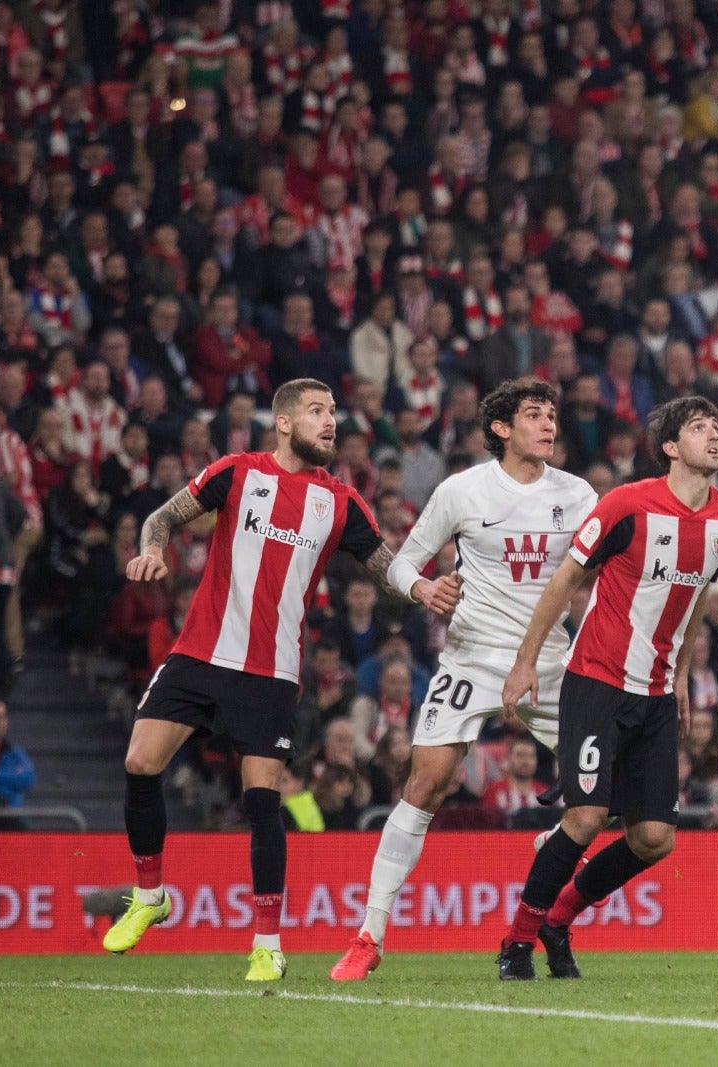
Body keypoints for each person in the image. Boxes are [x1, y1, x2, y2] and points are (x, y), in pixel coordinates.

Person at [102, 379, 401, 982]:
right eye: (317, 411)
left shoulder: (340, 501)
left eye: (334, 413)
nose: (330, 421)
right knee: (140, 762)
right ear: (284, 422)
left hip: (270, 673)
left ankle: (267, 943)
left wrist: (426, 587)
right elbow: (163, 516)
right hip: (201, 655)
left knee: (263, 799)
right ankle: (150, 895)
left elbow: (385, 564)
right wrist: (152, 547)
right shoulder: (238, 472)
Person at [331, 378, 596, 980]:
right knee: (426, 782)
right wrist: (422, 587)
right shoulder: (462, 491)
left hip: (550, 663)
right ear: (501, 429)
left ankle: (554, 847)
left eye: (552, 415)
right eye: (534, 415)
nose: (549, 425)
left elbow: (605, 573)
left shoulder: (578, 494)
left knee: (612, 796)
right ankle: (370, 934)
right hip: (471, 659)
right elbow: (402, 559)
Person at [494, 396, 718, 980]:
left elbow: (699, 592)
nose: (714, 436)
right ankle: (517, 942)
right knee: (585, 819)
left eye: (717, 426)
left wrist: (682, 671)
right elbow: (565, 581)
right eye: (699, 428)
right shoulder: (625, 506)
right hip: (597, 682)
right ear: (669, 447)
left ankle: (558, 919)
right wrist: (525, 663)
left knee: (656, 839)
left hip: (656, 694)